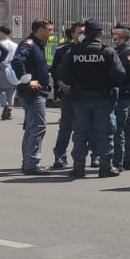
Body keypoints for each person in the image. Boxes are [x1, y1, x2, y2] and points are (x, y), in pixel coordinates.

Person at [56, 20, 125, 179]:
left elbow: (62, 73)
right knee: (104, 134)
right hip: (103, 98)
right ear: (100, 33)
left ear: (85, 33)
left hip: (81, 98)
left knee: (80, 133)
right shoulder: (107, 52)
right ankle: (105, 167)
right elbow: (119, 75)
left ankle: (78, 168)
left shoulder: (75, 51)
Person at [11, 19, 54, 174]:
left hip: (37, 92)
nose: (52, 33)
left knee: (32, 127)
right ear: (40, 29)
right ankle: (32, 163)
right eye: (49, 29)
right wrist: (27, 80)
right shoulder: (29, 44)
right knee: (38, 127)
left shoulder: (38, 44)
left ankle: (28, 162)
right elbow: (17, 61)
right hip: (33, 93)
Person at [49, 22, 85, 169]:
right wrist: (62, 85)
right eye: (80, 32)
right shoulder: (63, 50)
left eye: (85, 32)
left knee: (88, 127)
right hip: (69, 93)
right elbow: (55, 70)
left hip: (86, 93)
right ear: (73, 34)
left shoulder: (92, 50)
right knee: (66, 126)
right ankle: (60, 155)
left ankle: (93, 156)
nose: (83, 35)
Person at [109, 24, 130, 172]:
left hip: (125, 94)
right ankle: (129, 159)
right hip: (123, 94)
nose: (112, 37)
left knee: (119, 128)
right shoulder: (120, 50)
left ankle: (119, 162)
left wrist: (117, 79)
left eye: (114, 34)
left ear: (120, 36)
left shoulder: (127, 51)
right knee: (126, 127)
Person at [0, 25, 19, 120]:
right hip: (13, 70)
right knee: (11, 91)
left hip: (1, 69)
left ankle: (6, 105)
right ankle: (9, 109)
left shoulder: (0, 44)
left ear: (2, 33)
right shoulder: (15, 45)